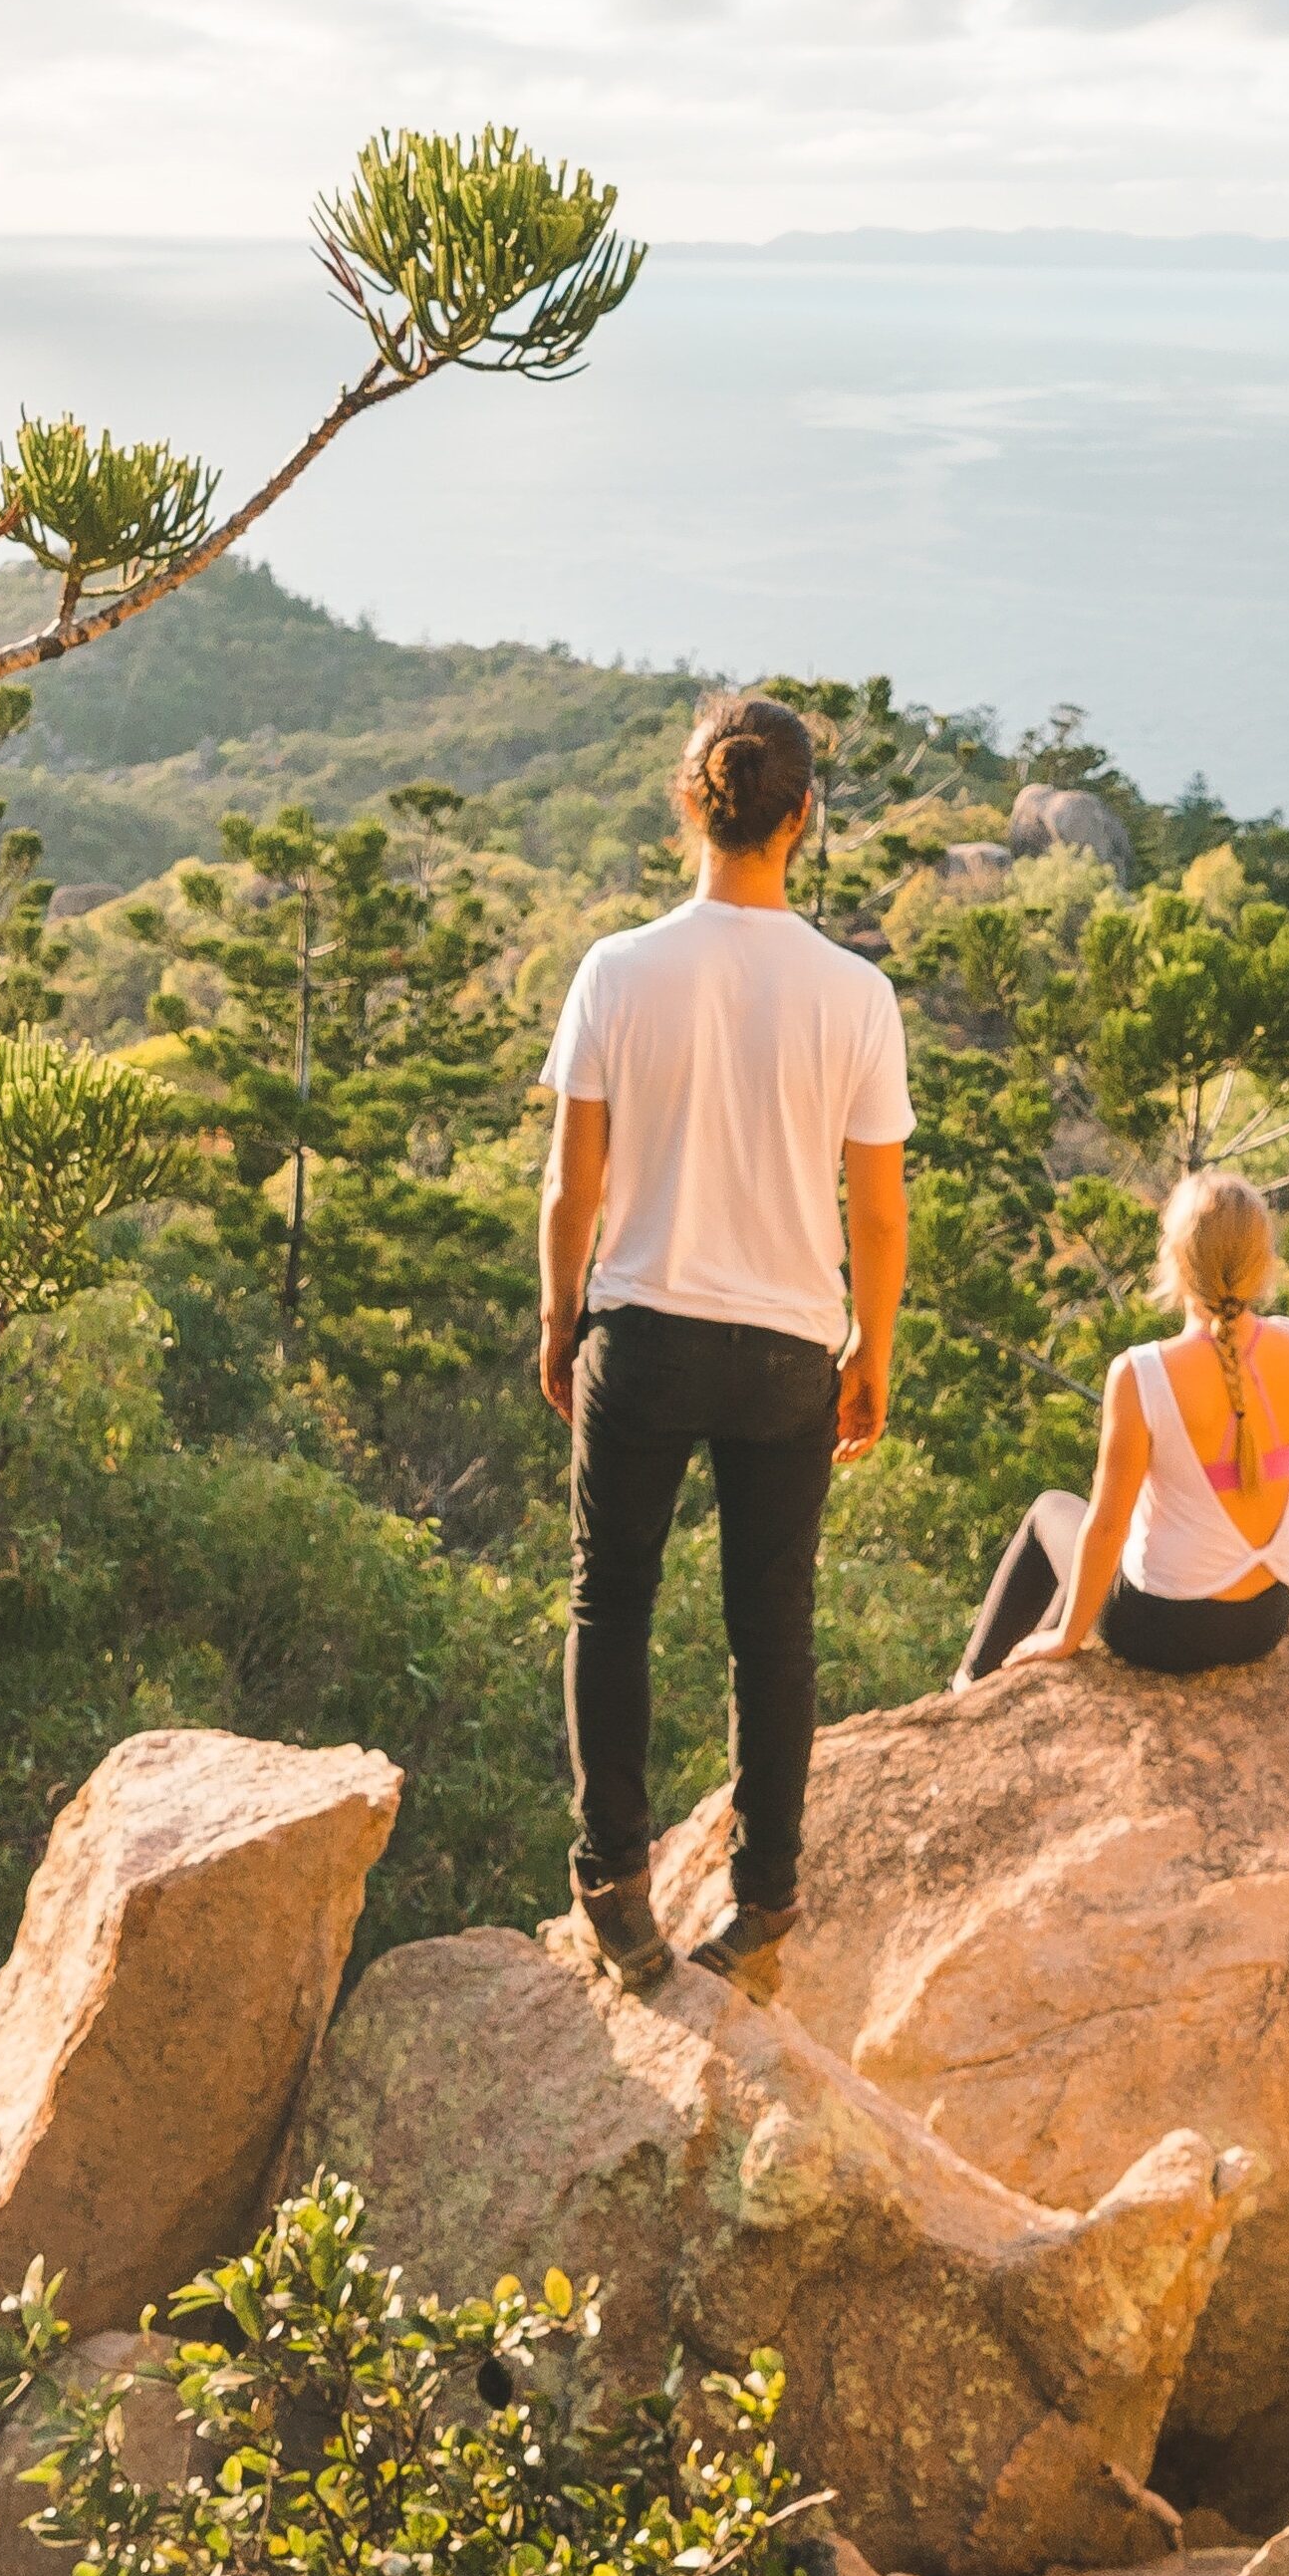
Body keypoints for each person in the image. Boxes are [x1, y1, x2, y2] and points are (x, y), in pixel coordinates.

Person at [532, 686, 909, 1999]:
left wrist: (555, 1314)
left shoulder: (615, 970)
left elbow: (569, 1185)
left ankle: (614, 1893)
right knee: (771, 1629)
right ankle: (761, 1906)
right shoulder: (854, 992)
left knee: (610, 1596)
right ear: (799, 815)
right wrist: (872, 1346)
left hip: (639, 1329)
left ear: (690, 799)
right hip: (785, 1351)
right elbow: (874, 1202)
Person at [958, 1170, 1289, 1686]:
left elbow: (1106, 1527)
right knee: (1101, 1550)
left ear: (1176, 1257)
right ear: (1262, 1260)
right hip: (1263, 1620)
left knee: (1049, 1512)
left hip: (1165, 1630)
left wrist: (1068, 1640)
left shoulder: (1143, 1372)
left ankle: (971, 1682)